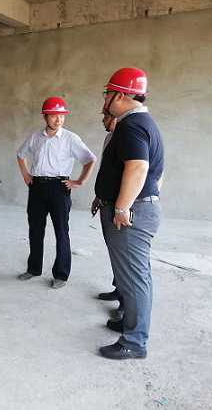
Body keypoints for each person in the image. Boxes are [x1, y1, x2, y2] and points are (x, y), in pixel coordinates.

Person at [95, 67, 164, 360]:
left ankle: (135, 342)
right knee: (133, 275)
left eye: (107, 94)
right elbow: (155, 174)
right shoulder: (142, 123)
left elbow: (138, 167)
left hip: (131, 214)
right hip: (137, 208)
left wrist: (122, 206)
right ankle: (130, 324)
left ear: (120, 95)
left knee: (135, 279)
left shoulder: (132, 125)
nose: (105, 100)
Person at [16, 97, 96, 289]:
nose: (58, 119)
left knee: (61, 231)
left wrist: (80, 181)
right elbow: (20, 155)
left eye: (61, 116)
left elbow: (89, 159)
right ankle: (34, 268)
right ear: (45, 116)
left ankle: (61, 274)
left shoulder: (70, 138)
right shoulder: (35, 137)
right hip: (37, 187)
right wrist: (26, 175)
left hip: (59, 188)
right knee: (35, 229)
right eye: (53, 115)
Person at [91, 112, 119, 303]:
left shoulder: (130, 138)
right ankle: (119, 288)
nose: (103, 120)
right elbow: (105, 170)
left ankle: (126, 302)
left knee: (124, 254)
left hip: (119, 206)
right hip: (106, 202)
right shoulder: (109, 138)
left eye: (107, 117)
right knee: (114, 249)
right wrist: (98, 196)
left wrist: (122, 208)